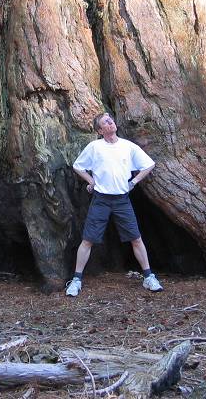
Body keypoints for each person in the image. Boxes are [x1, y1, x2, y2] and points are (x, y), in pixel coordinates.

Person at [66, 112, 162, 296]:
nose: (111, 123)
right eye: (106, 122)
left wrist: (133, 183)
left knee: (136, 238)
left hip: (121, 200)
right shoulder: (95, 147)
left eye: (111, 120)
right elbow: (78, 166)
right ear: (100, 130)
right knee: (88, 240)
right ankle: (76, 280)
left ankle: (149, 277)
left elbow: (148, 164)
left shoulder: (127, 146)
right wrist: (91, 181)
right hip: (101, 199)